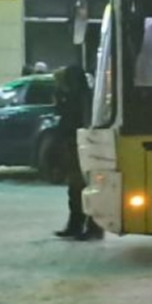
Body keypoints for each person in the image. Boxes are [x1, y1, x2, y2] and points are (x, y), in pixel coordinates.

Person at [52, 65, 102, 241]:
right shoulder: (76, 96)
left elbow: (74, 120)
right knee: (75, 189)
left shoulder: (81, 98)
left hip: (81, 146)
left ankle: (92, 226)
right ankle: (76, 224)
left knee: (83, 187)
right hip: (74, 146)